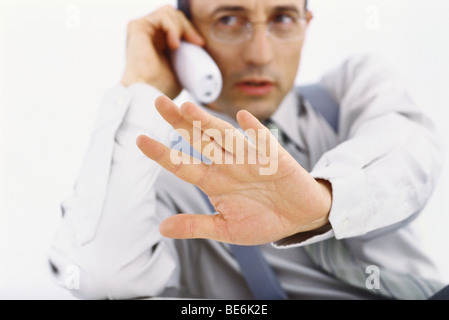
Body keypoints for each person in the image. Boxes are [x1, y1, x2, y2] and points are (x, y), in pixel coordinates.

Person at [48, 0, 448, 300]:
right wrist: (141, 86)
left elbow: (413, 157)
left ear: (307, 25)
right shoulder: (161, 175)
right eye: (229, 20)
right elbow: (100, 277)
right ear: (186, 39)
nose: (260, 53)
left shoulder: (351, 92)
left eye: (282, 18)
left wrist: (322, 201)